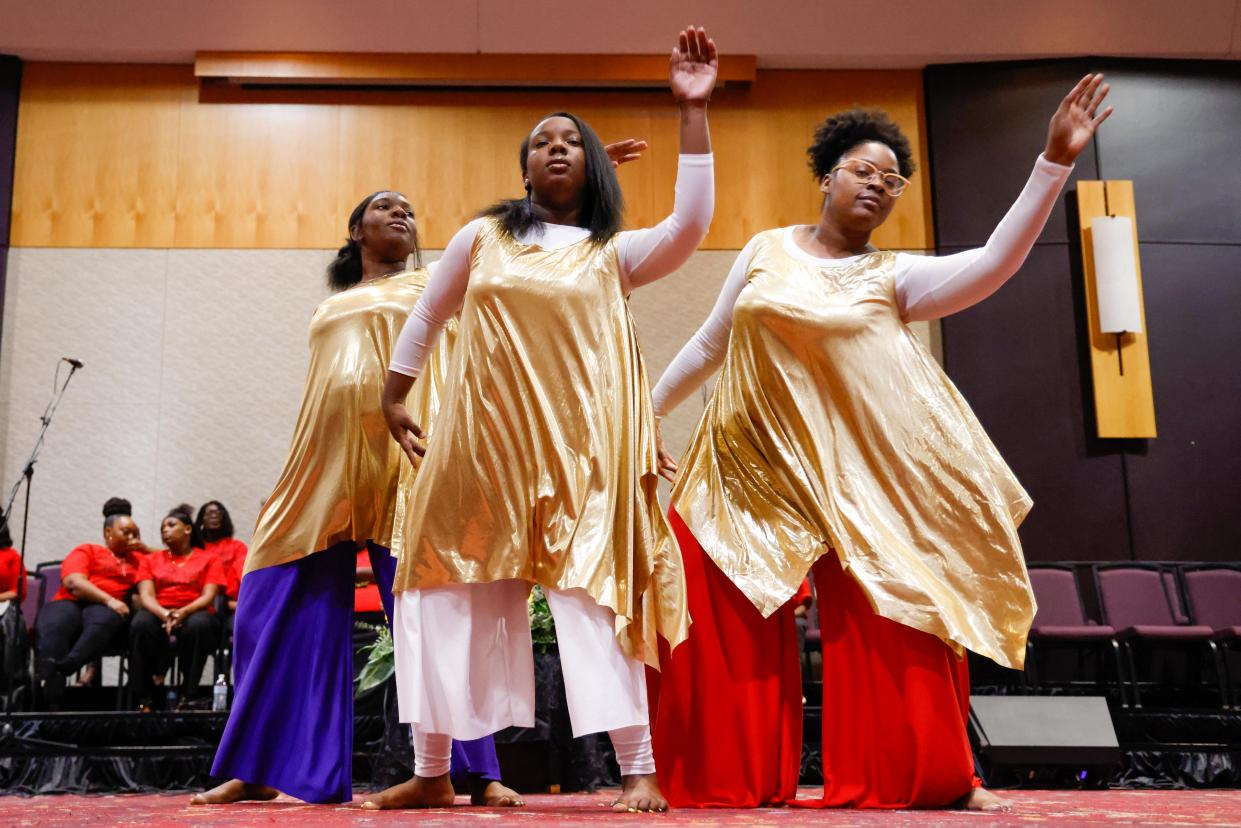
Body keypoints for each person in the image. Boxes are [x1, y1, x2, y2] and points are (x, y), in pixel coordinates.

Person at [648, 75, 1113, 810]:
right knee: (704, 607)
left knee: (900, 610)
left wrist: (1052, 161)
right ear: (826, 176)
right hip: (749, 466)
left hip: (859, 476)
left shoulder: (895, 277)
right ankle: (723, 779)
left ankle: (930, 777)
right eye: (863, 170)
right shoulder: (766, 250)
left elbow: (994, 260)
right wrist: (646, 415)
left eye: (892, 179)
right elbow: (710, 342)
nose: (878, 184)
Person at [369, 26, 717, 813]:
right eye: (540, 142)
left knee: (597, 599)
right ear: (522, 166)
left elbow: (691, 224)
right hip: (476, 449)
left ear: (589, 164)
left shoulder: (612, 254)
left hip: (580, 459)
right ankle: (432, 771)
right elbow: (426, 316)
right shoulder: (480, 237)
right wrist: (394, 396)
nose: (555, 148)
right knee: (435, 592)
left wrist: (692, 112)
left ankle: (637, 767)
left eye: (571, 141)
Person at [196, 186, 557, 807]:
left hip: (411, 453)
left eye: (410, 209)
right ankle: (261, 766)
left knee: (438, 613)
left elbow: (514, 260)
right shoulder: (329, 305)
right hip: (322, 460)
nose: (402, 213)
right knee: (269, 596)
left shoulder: (440, 287)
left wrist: (544, 200)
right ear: (355, 230)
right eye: (384, 206)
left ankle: (475, 773)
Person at [33, 497, 146, 708]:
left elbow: (168, 558)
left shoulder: (139, 561)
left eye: (135, 533)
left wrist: (144, 548)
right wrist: (110, 599)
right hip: (71, 602)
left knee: (105, 619)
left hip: (104, 611)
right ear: (108, 533)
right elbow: (73, 582)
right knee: (56, 626)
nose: (131, 538)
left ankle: (70, 664)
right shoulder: (88, 550)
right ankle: (52, 704)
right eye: (126, 532)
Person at [130, 505, 226, 709]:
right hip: (159, 610)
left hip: (195, 610)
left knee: (199, 625)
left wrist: (183, 612)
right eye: (162, 527)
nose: (165, 529)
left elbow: (209, 596)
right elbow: (146, 596)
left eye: (171, 525)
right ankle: (145, 696)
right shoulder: (150, 560)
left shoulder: (209, 559)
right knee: (140, 624)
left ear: (188, 529)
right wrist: (165, 614)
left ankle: (188, 693)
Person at [195, 501, 247, 612]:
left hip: (226, 598)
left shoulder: (237, 546)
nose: (214, 516)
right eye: (209, 513)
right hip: (197, 597)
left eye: (218, 513)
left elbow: (242, 574)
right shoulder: (194, 548)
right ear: (201, 519)